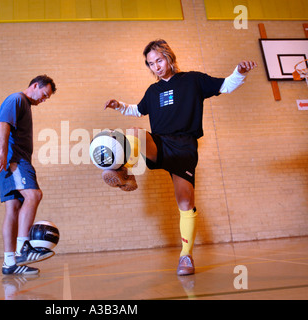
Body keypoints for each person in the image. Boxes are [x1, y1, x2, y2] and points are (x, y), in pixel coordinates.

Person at [104, 39, 257, 276]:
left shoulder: (193, 80)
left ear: (169, 58)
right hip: (160, 143)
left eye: (159, 60)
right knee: (136, 133)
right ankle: (126, 172)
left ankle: (186, 256)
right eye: (151, 64)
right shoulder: (152, 91)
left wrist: (240, 71)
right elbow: (138, 110)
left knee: (185, 203)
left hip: (185, 146)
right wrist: (119, 106)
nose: (156, 66)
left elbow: (225, 85)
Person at [0, 75, 57, 275]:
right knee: (34, 195)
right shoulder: (16, 99)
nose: (43, 100)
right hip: (13, 160)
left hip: (9, 161)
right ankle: (23, 247)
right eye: (44, 94)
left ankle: (9, 263)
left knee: (13, 208)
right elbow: (3, 124)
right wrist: (3, 153)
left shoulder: (24, 105)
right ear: (35, 85)